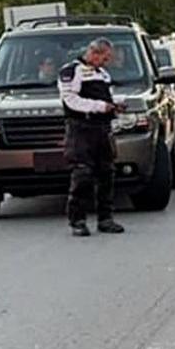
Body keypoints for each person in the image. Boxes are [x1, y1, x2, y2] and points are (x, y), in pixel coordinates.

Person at [58, 38, 127, 236]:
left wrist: (115, 105)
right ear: (94, 53)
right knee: (82, 173)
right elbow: (71, 100)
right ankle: (77, 220)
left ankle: (106, 218)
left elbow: (107, 98)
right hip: (81, 128)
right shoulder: (71, 71)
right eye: (104, 58)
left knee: (107, 173)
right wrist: (99, 106)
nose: (106, 63)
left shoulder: (102, 74)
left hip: (102, 129)